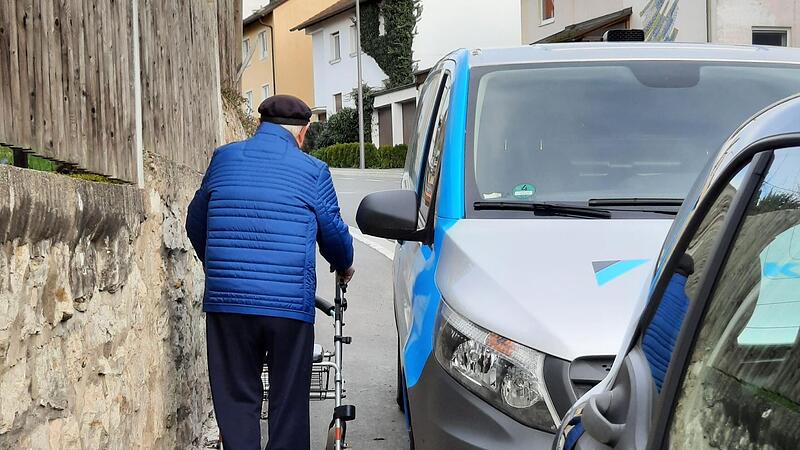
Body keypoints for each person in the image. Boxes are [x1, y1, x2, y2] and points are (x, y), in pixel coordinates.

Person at [185, 95, 355, 450]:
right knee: (288, 404)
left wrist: (218, 268)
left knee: (236, 399)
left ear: (259, 124)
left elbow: (196, 221)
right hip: (287, 309)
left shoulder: (223, 158)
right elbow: (335, 234)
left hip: (228, 305)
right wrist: (344, 265)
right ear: (302, 132)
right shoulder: (313, 170)